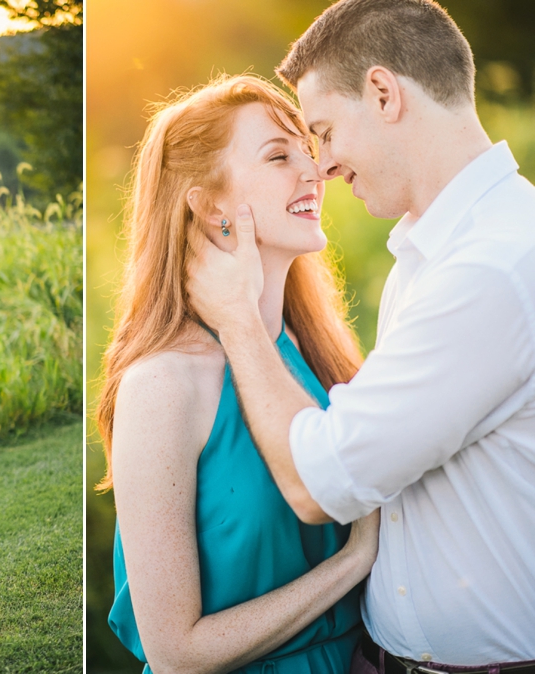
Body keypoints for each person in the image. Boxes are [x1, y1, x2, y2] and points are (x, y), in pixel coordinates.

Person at [187, 1, 535, 672]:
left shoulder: (491, 269)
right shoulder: (435, 253)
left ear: (383, 93)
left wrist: (236, 320)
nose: (324, 167)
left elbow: (323, 482)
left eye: (322, 130)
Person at [95, 74, 380, 674]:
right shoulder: (163, 385)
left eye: (309, 147)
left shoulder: (316, 350)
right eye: (280, 156)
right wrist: (351, 565)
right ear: (209, 205)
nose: (315, 170)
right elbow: (176, 652)